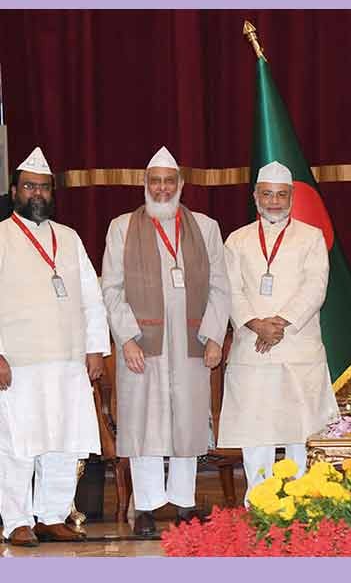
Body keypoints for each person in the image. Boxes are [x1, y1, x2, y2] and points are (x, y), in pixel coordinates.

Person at [101, 146, 230, 536]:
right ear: (145, 184)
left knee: (187, 424)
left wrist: (212, 337)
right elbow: (111, 288)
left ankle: (185, 502)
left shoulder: (205, 227)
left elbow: (220, 287)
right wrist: (126, 339)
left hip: (190, 342)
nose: (161, 188)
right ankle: (147, 506)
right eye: (154, 181)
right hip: (143, 344)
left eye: (168, 181)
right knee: (145, 424)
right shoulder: (121, 227)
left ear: (180, 185)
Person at [0, 147, 109, 546]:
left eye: (44, 188)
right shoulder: (1, 238)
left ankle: (51, 515)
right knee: (17, 443)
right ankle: (16, 520)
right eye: (29, 186)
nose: (37, 194)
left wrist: (95, 348)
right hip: (18, 363)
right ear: (15, 190)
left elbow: (90, 297)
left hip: (67, 362)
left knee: (65, 440)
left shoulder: (69, 237)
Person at [219, 160, 338, 503]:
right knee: (255, 429)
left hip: (298, 347)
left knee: (300, 429)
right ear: (255, 195)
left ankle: (301, 500)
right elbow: (231, 289)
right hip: (251, 349)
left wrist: (280, 322)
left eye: (281, 195)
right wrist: (256, 324)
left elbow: (316, 287)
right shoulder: (237, 240)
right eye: (267, 194)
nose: (273, 201)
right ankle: (259, 500)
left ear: (291, 197)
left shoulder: (311, 237)